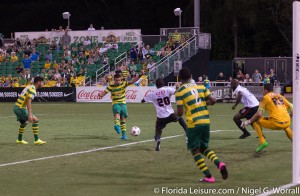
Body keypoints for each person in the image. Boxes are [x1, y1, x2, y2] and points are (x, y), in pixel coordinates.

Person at [175, 67, 228, 183]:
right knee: (204, 147)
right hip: (205, 121)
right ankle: (220, 164)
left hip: (193, 123)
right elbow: (213, 100)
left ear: (180, 78)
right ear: (191, 76)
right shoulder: (201, 87)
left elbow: (180, 112)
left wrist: (172, 114)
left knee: (195, 150)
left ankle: (209, 176)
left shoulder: (180, 91)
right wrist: (204, 104)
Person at [241, 83, 293, 152]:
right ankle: (296, 142)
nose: (263, 91)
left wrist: (248, 121)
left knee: (255, 121)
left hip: (276, 123)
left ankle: (262, 142)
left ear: (265, 90)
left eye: (263, 90)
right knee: (286, 127)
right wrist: (290, 116)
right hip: (287, 121)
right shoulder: (280, 96)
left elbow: (259, 114)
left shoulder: (265, 98)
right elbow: (292, 106)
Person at [141, 78, 187, 151]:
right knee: (180, 117)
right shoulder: (167, 89)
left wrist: (144, 100)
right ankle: (187, 132)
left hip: (160, 117)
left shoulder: (152, 93)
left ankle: (158, 140)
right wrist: (178, 88)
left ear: (156, 85)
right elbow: (177, 93)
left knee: (158, 131)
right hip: (170, 114)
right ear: (163, 84)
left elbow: (143, 100)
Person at [98, 72, 141, 140]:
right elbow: (104, 93)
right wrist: (100, 95)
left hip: (123, 103)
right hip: (115, 103)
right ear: (114, 80)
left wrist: (140, 75)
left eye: (119, 80)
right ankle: (116, 125)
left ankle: (123, 136)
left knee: (123, 118)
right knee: (117, 113)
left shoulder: (124, 84)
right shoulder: (110, 86)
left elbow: (133, 81)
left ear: (121, 79)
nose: (118, 81)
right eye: (117, 80)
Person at [13, 76, 46, 145]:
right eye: (42, 82)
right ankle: (36, 140)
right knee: (35, 120)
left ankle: (19, 139)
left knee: (24, 123)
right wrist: (30, 114)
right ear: (38, 82)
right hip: (20, 108)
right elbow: (28, 102)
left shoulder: (30, 86)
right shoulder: (32, 89)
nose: (43, 83)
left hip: (17, 107)